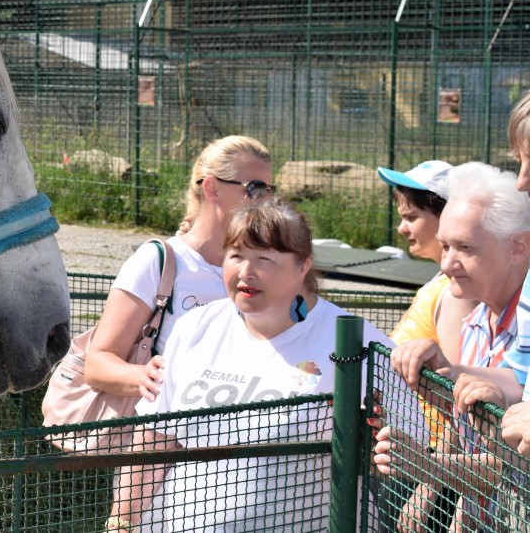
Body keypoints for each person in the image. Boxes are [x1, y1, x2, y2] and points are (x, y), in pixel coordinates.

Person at [111, 199, 399, 532]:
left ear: (303, 266)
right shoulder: (194, 328)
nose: (246, 271)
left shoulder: (355, 342)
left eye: (264, 259)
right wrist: (121, 521)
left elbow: (402, 452)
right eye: (236, 256)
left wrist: (372, 440)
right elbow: (154, 438)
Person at [84, 135, 274, 533]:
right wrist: (146, 376)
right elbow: (97, 363)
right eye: (255, 188)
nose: (266, 201)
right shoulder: (159, 261)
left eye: (271, 190)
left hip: (244, 471)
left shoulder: (267, 270)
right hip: (159, 473)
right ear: (212, 188)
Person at [374, 161, 530, 532]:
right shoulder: (476, 321)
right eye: (445, 246)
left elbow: (511, 464)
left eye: (465, 247)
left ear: (518, 247)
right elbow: (470, 427)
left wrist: (427, 470)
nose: (446, 264)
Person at [377, 160, 477, 530]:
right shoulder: (440, 284)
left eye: (412, 217)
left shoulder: (456, 293)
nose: (402, 228)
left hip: (433, 467)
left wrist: (427, 489)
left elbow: (458, 394)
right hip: (416, 458)